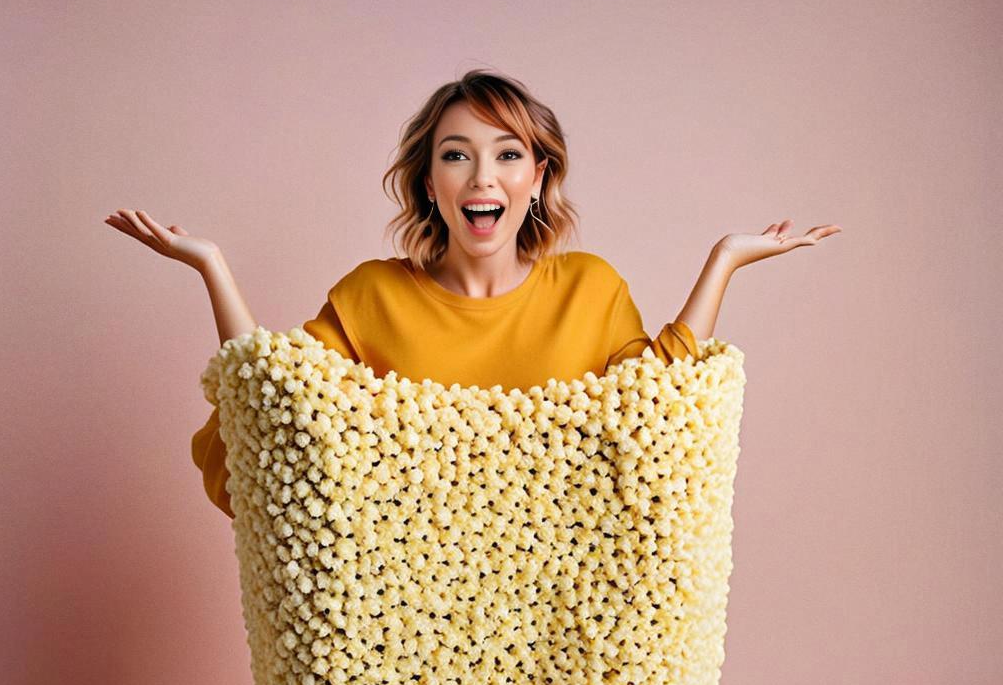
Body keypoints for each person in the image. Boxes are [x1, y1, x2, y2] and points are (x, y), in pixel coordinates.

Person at [104, 69, 841, 520]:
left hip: (562, 636)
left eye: (508, 155)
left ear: (539, 178)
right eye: (457, 156)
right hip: (402, 639)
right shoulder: (372, 298)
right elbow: (271, 410)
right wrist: (212, 268)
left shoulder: (591, 289)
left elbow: (660, 421)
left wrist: (724, 262)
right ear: (432, 184)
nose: (483, 178)